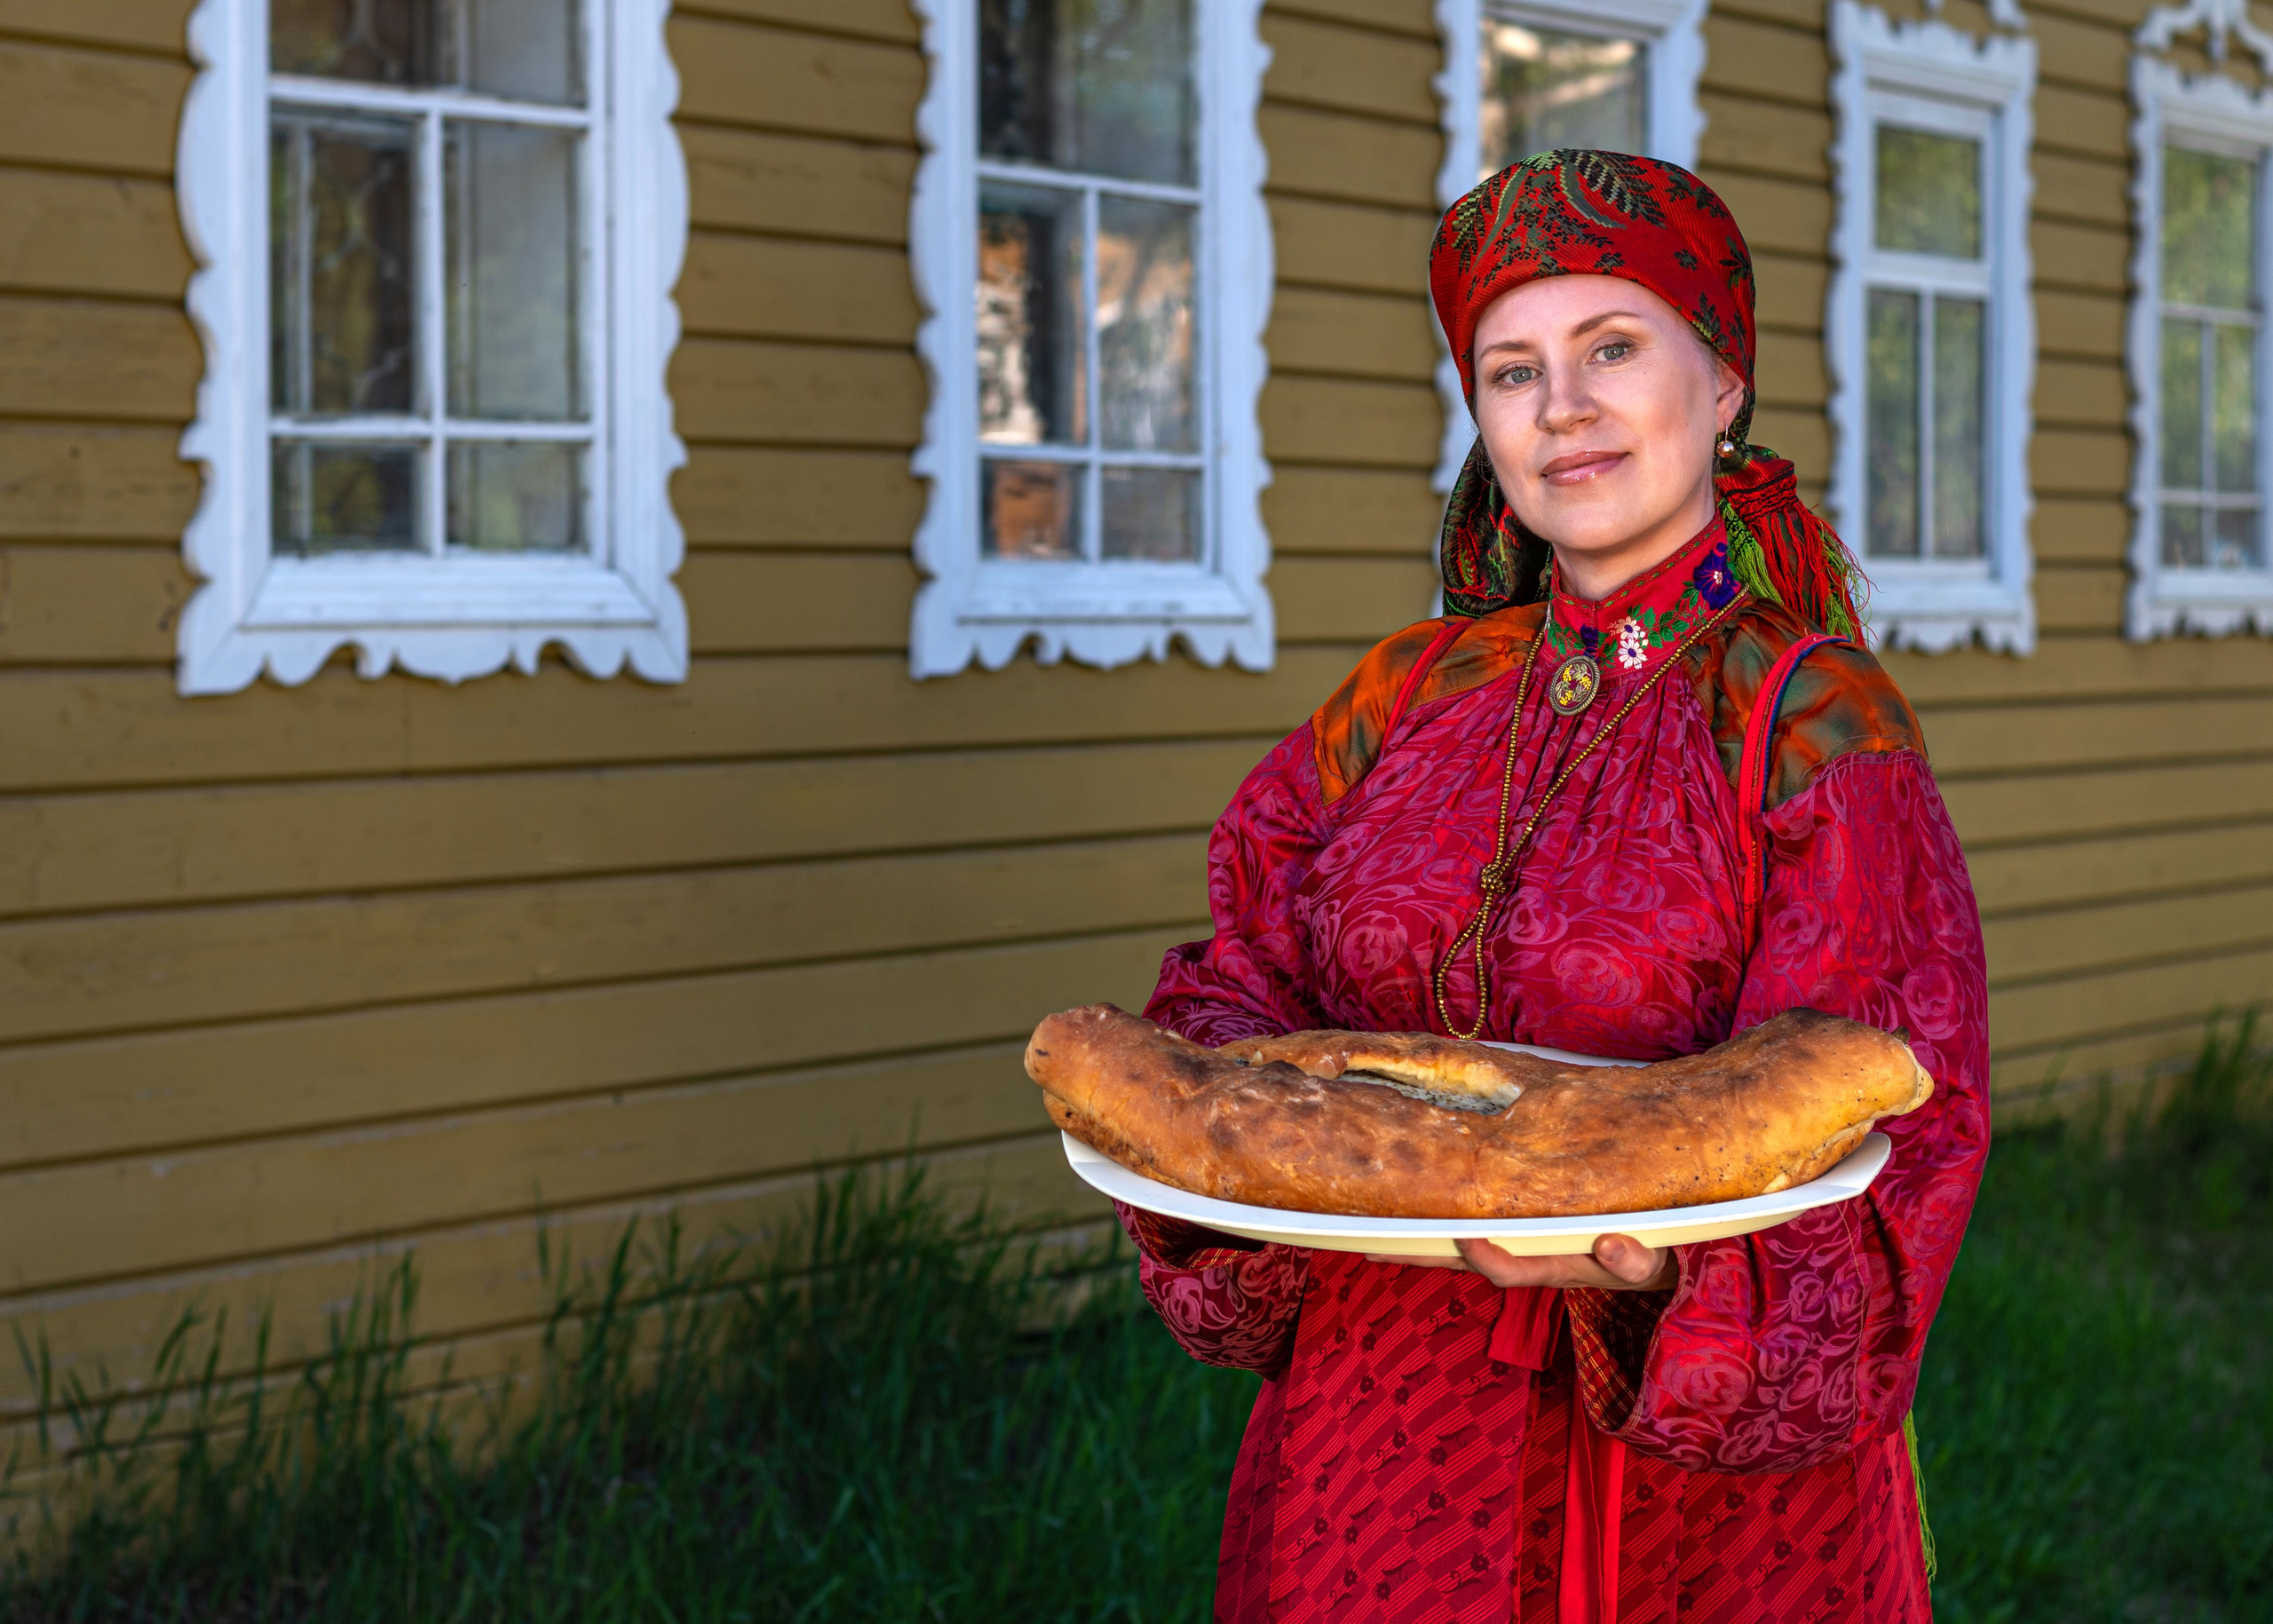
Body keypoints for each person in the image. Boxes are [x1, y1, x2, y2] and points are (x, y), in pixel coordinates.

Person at [1113, 150, 1988, 1622]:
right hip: (1373, 1433)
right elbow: (1241, 969)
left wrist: (1656, 1284)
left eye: (1614, 349)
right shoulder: (1410, 693)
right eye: (1513, 370)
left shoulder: (1811, 719)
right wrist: (1204, 1132)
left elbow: (1895, 1105)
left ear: (1722, 386)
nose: (1562, 407)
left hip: (1680, 1500)